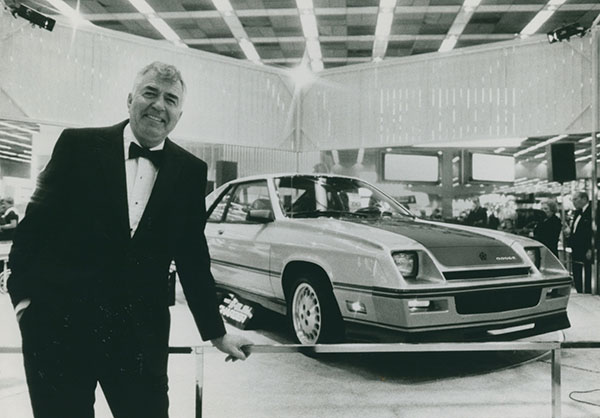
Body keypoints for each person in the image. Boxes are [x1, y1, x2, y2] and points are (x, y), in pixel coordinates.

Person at [7, 61, 253, 418]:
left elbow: (192, 258)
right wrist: (24, 304)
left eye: (170, 99)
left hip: (138, 340)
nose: (159, 105)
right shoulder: (78, 146)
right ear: (129, 99)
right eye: (150, 93)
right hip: (59, 330)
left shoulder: (190, 171)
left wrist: (217, 333)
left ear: (179, 114)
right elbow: (33, 229)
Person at [563, 191, 598, 294]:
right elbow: (576, 230)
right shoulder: (578, 212)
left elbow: (595, 232)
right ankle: (580, 290)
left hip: (587, 248)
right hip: (576, 248)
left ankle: (588, 292)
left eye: (575, 199)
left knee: (588, 272)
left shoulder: (594, 211)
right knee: (577, 271)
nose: (573, 202)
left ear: (584, 199)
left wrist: (591, 248)